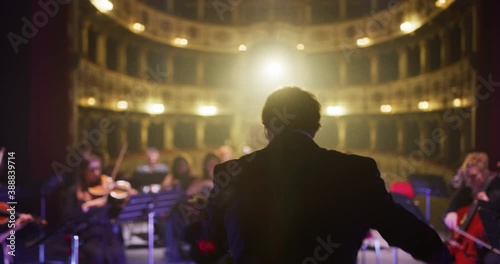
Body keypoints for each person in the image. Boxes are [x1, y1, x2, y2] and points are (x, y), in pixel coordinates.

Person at [206, 87, 451, 263]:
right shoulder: (355, 172)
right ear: (316, 127)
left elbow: (207, 237)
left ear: (266, 128)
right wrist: (444, 257)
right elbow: (401, 227)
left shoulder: (231, 173)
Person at [63, 153, 127, 264]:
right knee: (97, 255)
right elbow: (68, 217)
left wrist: (123, 202)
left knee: (118, 254)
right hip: (87, 234)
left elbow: (114, 213)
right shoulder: (74, 192)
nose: (96, 173)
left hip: (107, 233)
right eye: (92, 170)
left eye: (98, 169)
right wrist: (88, 205)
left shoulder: (105, 188)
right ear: (83, 172)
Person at [444, 152, 500, 263]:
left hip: (487, 244)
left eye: (473, 176)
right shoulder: (467, 188)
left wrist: (488, 206)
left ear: (484, 173)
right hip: (465, 242)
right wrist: (450, 214)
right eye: (467, 177)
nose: (469, 181)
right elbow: (449, 209)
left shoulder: (495, 190)